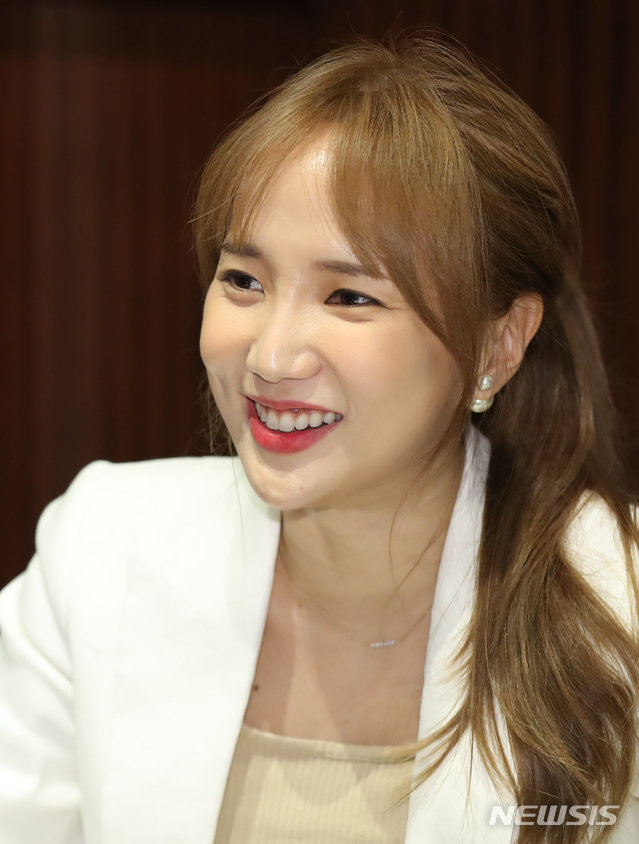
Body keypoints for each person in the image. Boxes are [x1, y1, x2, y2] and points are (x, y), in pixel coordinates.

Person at [0, 35, 637, 844]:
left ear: (498, 343)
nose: (269, 357)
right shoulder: (104, 549)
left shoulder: (619, 607)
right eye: (243, 281)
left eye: (348, 297)